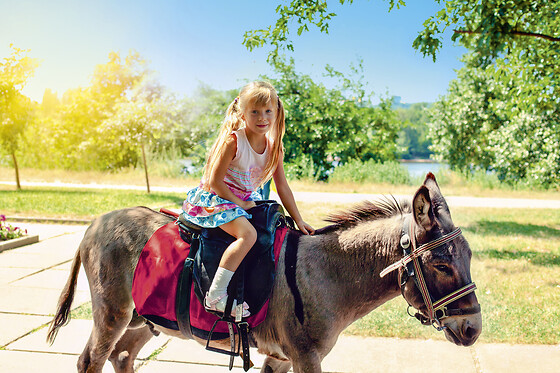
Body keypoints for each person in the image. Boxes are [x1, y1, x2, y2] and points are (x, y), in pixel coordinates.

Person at [182, 81, 314, 317]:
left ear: (276, 112)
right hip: (215, 198)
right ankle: (216, 296)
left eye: (267, 111)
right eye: (255, 111)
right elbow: (215, 182)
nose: (262, 117)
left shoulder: (274, 148)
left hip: (241, 198)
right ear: (242, 113)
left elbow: (282, 186)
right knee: (248, 234)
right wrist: (240, 204)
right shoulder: (233, 141)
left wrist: (299, 219)